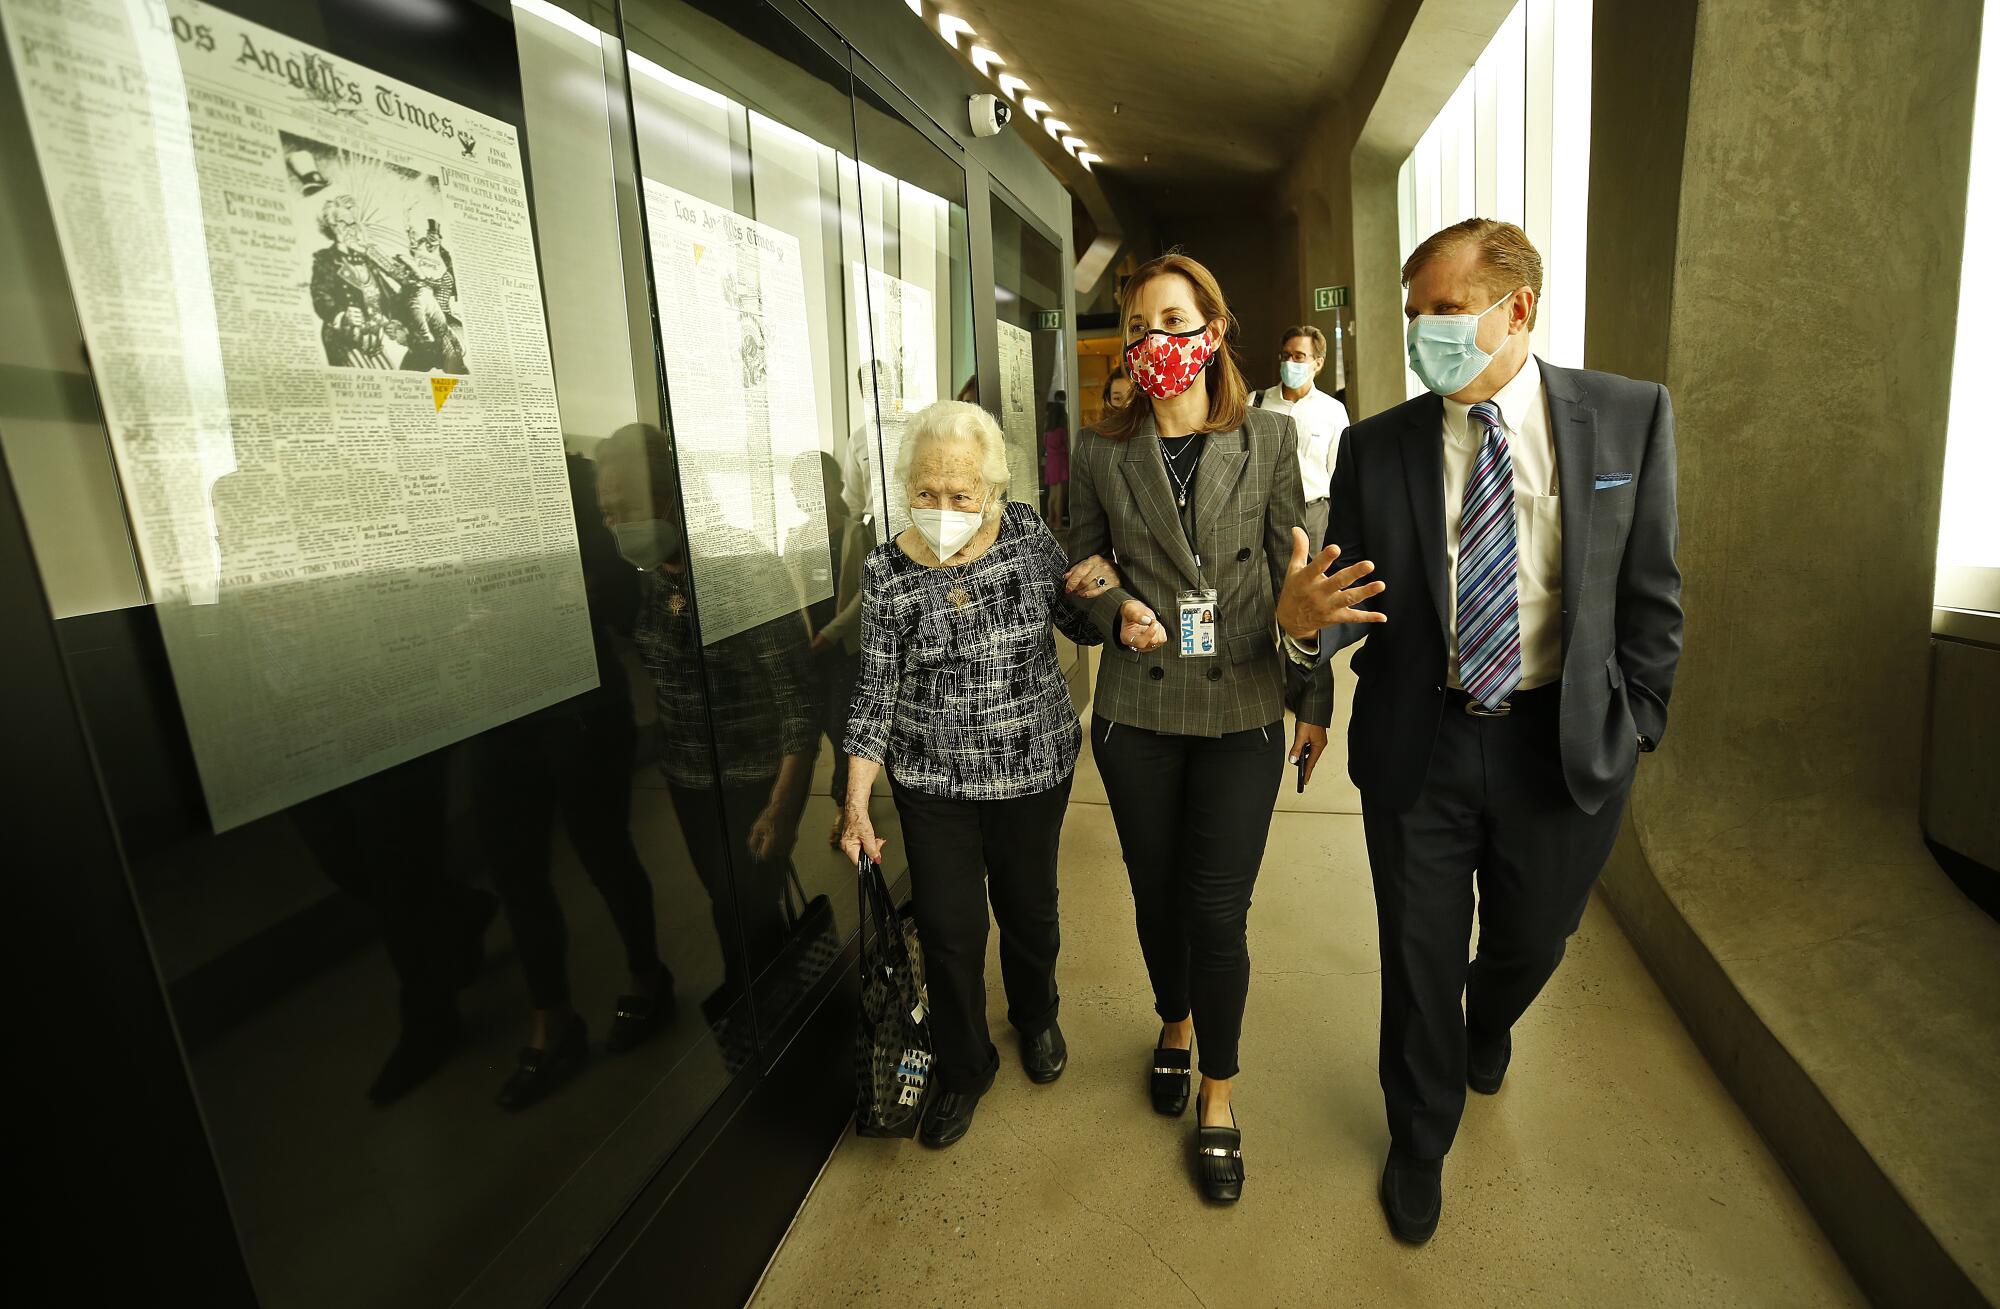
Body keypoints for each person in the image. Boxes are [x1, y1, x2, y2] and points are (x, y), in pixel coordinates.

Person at [1277, 218, 1683, 1244]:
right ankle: (1419, 1137)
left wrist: (1636, 718)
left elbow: (1651, 592)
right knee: (1416, 961)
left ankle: (1489, 1018)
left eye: (1444, 315)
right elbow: (1339, 603)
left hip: (1562, 739)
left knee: (1531, 938)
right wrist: (1298, 631)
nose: (1422, 338)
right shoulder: (1378, 447)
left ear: (1518, 311)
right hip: (1425, 741)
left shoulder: (1625, 419)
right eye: (1413, 317)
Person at [1062, 251, 1382, 1203]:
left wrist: (1314, 698)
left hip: (1242, 700)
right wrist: (1113, 603)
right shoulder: (1100, 449)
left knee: (1216, 910)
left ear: (1212, 330)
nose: (1156, 340)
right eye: (1140, 327)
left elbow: (1305, 579)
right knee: (1156, 897)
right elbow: (1077, 560)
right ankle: (1172, 1019)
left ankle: (1219, 1091)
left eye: (1173, 320)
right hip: (1138, 708)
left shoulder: (1270, 442)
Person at [838, 400, 1106, 1150]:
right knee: (952, 932)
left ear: (993, 490)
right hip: (934, 783)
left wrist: (1098, 593)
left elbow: (1074, 621)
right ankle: (965, 1066)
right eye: (927, 490)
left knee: (1030, 908)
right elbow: (874, 692)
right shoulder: (887, 571)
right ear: (906, 487)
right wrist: (857, 799)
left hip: (1032, 767)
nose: (944, 508)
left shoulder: (1024, 531)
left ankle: (1036, 1013)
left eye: (962, 494)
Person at [471, 453, 672, 1111]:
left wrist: (569, 587)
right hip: (497, 705)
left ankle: (647, 977)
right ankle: (551, 1017)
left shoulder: (568, 475)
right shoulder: (458, 486)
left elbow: (620, 588)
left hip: (580, 704)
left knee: (603, 850)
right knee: (514, 868)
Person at [1250, 326, 1348, 547]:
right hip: (1265, 514)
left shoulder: (1332, 410)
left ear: (1318, 363)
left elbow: (1339, 473)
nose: (1290, 362)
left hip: (1314, 515)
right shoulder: (1256, 403)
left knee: (1316, 577)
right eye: (1286, 356)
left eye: (1299, 356)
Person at [1041, 395, 1071, 529]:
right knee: (1059, 494)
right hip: (1059, 462)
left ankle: (1051, 521)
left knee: (1052, 495)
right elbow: (1066, 445)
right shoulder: (1061, 431)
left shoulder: (1048, 432)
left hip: (1050, 463)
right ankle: (1058, 523)